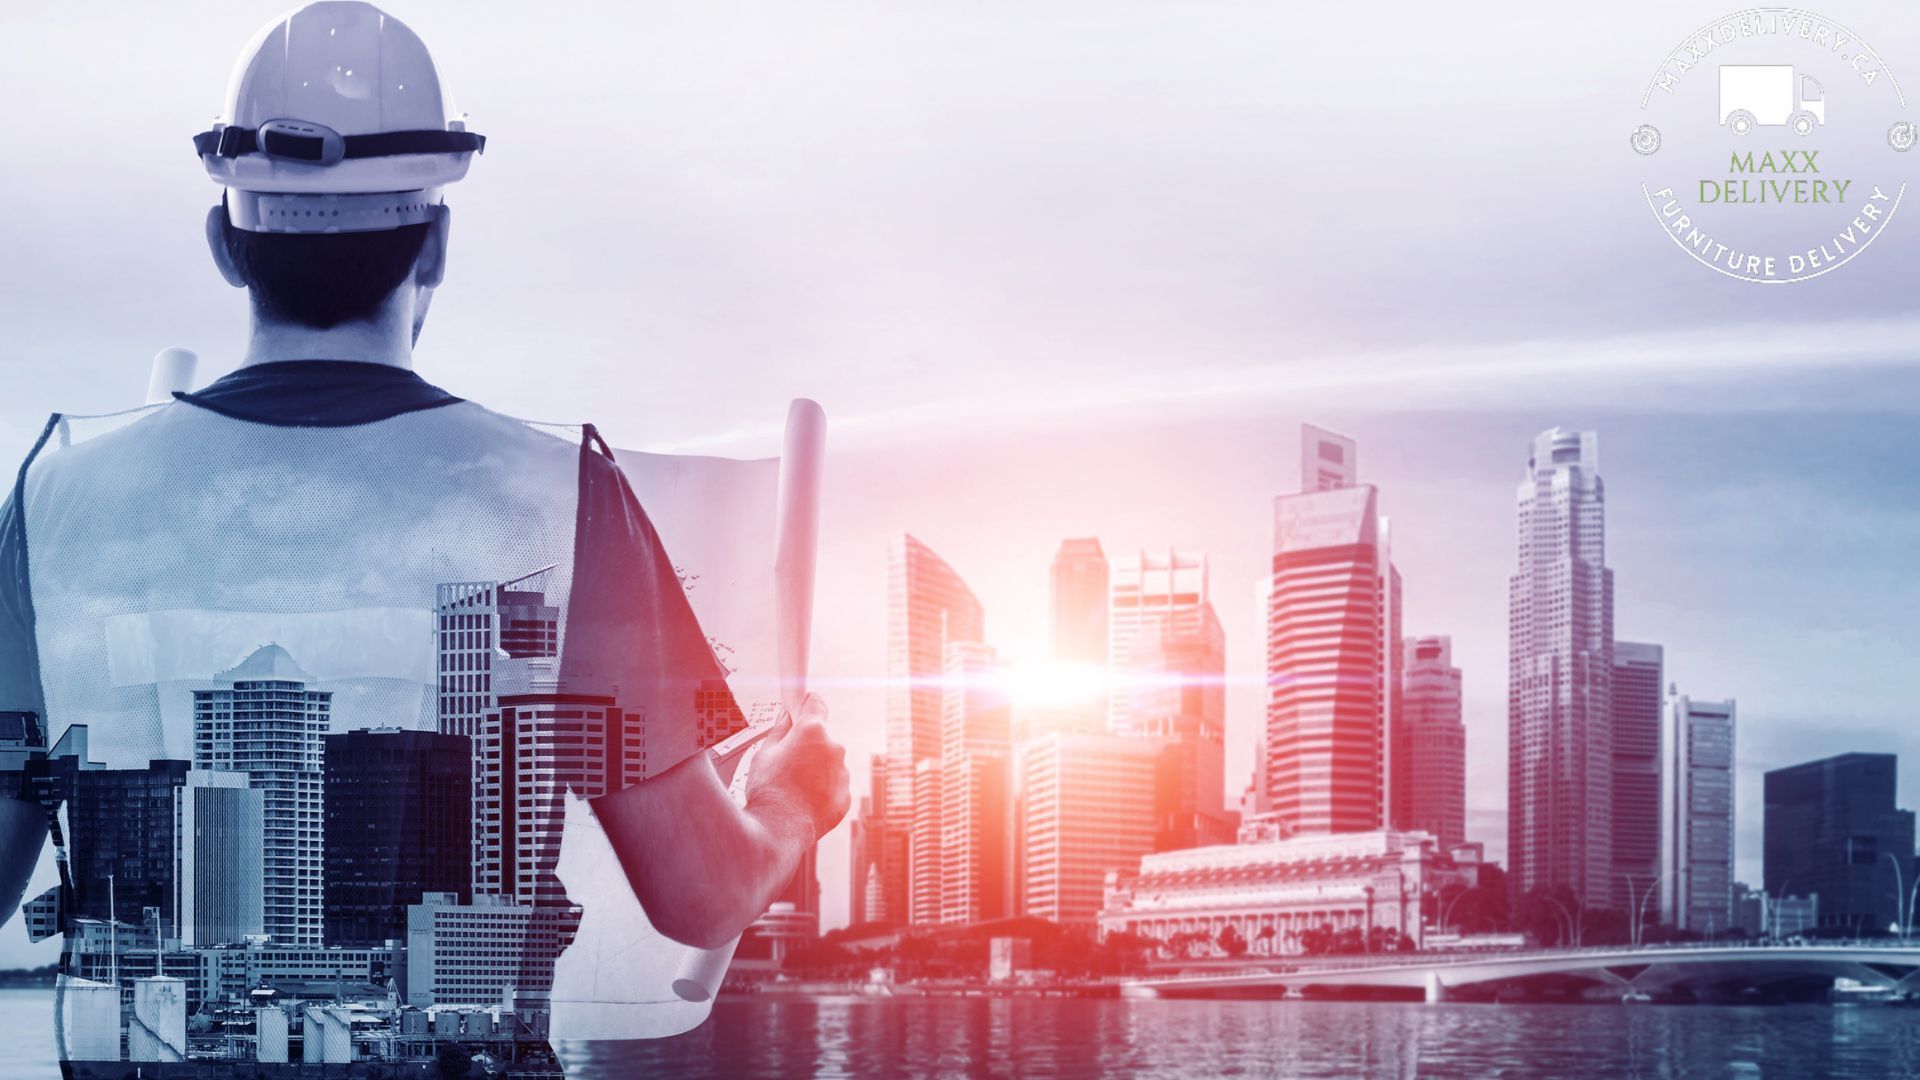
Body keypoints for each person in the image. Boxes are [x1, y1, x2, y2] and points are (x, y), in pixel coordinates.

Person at [0, 0, 848, 1056]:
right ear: (436, 242)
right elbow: (700, 892)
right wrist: (792, 805)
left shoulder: (57, 505)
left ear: (224, 239)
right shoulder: (562, 503)